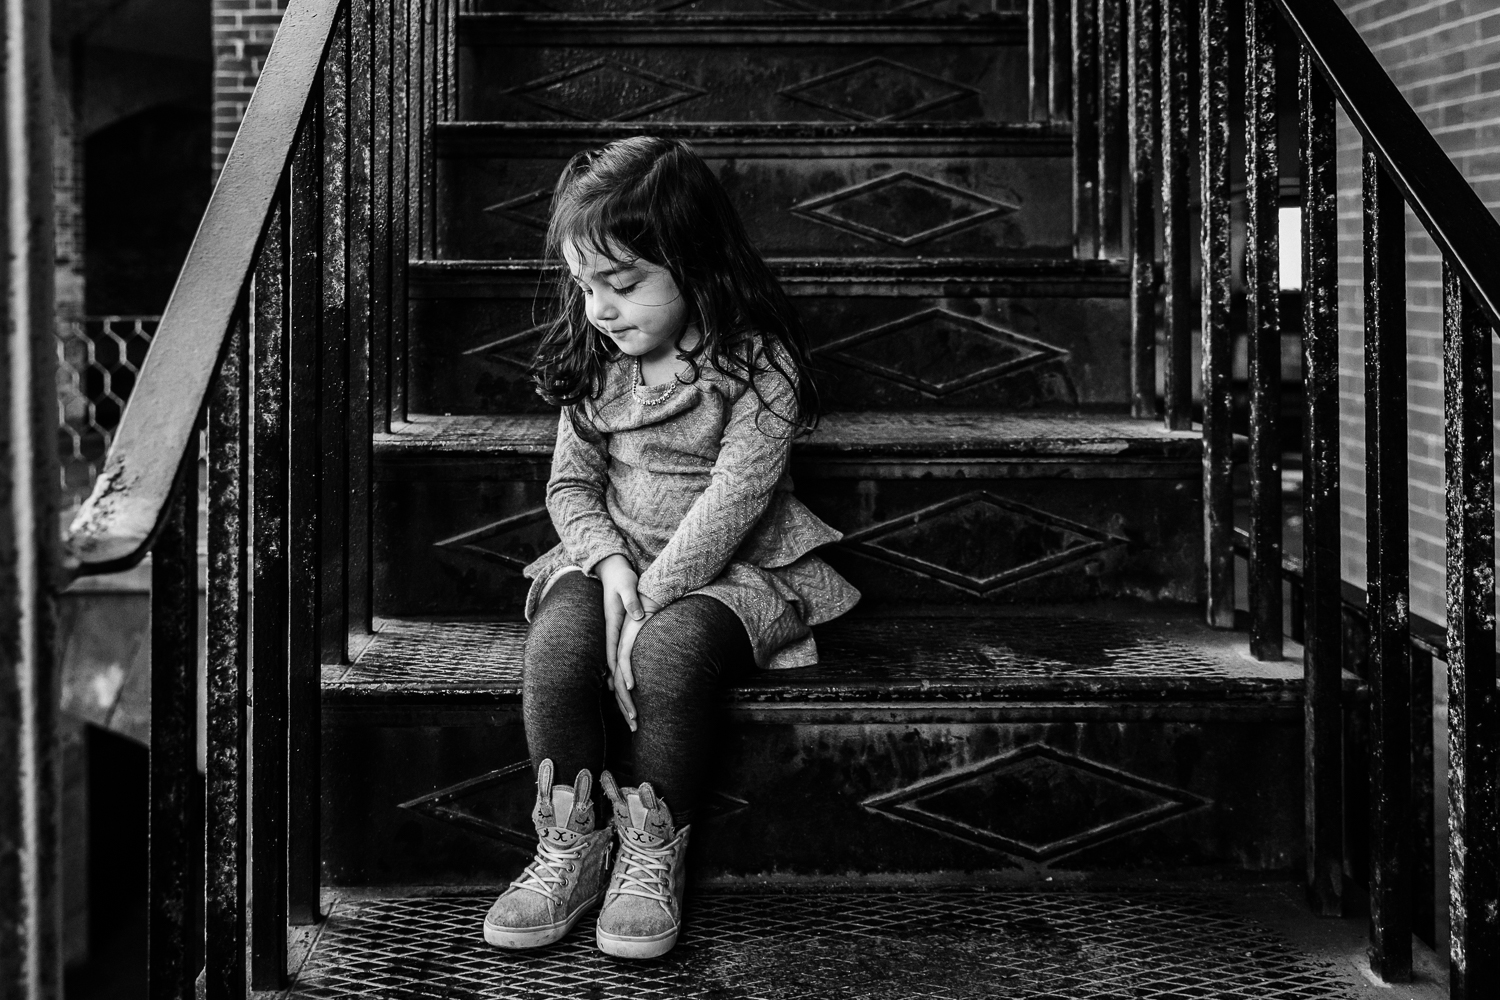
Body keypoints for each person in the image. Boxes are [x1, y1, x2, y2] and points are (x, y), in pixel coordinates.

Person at [482, 136, 860, 959]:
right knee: (557, 647)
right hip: (611, 559)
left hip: (731, 572)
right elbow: (569, 489)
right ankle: (572, 843)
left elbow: (736, 504)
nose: (600, 309)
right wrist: (613, 571)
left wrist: (649, 606)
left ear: (696, 264)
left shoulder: (761, 371)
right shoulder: (597, 364)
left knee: (667, 656)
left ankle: (652, 848)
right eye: (586, 287)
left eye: (622, 285)